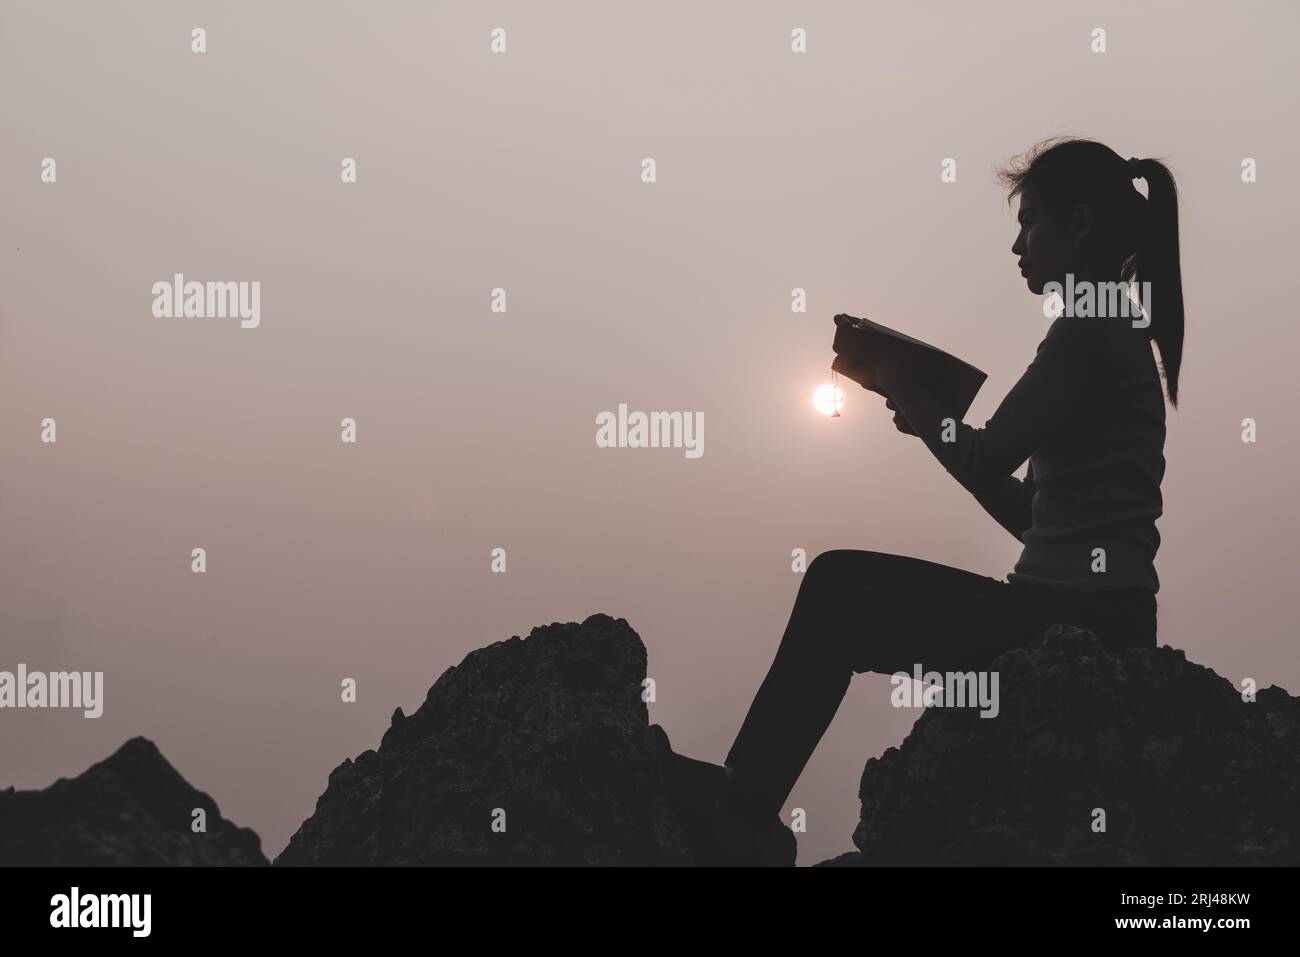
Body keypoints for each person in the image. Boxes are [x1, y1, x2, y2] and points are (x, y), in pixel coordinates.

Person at [713, 137, 1185, 864]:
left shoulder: (1088, 329)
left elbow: (989, 452)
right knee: (834, 571)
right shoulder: (1108, 328)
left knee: (841, 616)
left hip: (1075, 624)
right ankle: (740, 793)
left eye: (1030, 222)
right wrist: (934, 424)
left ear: (1080, 223)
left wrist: (908, 391)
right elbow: (1032, 514)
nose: (1017, 244)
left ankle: (738, 811)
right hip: (1080, 611)